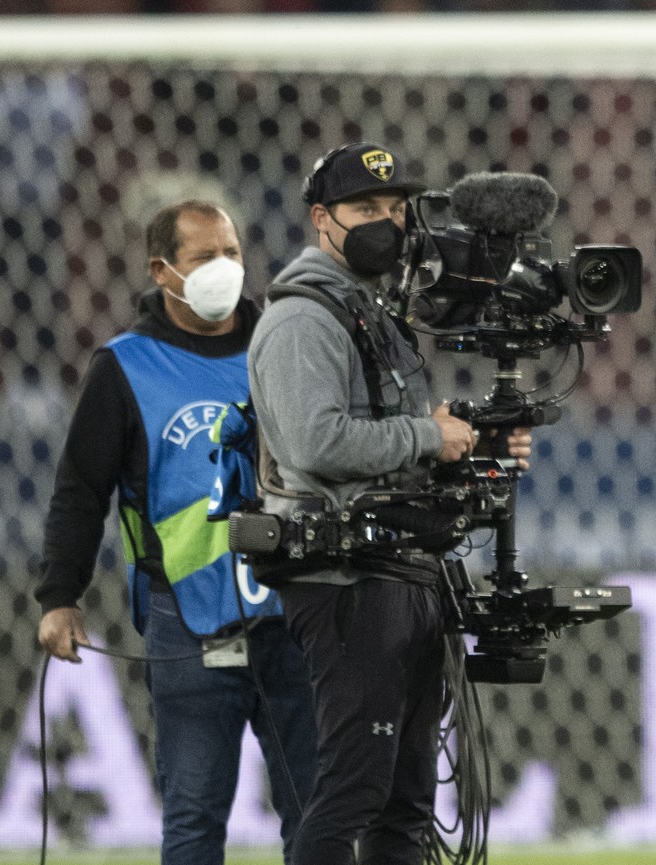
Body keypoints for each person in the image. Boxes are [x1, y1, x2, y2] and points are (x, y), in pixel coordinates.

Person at [249, 141, 530, 865]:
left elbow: (389, 448)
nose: (389, 222)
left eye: (398, 208)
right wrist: (426, 435)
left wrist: (469, 445)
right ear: (321, 218)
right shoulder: (302, 319)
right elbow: (316, 443)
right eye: (366, 209)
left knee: (404, 803)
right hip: (343, 575)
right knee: (352, 791)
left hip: (395, 570)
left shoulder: (365, 311)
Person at [35, 200, 318, 865]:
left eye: (232, 252)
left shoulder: (283, 342)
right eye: (204, 256)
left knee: (317, 814)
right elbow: (81, 491)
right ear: (162, 270)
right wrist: (59, 596)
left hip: (295, 609)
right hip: (188, 620)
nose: (225, 267)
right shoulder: (124, 367)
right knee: (193, 822)